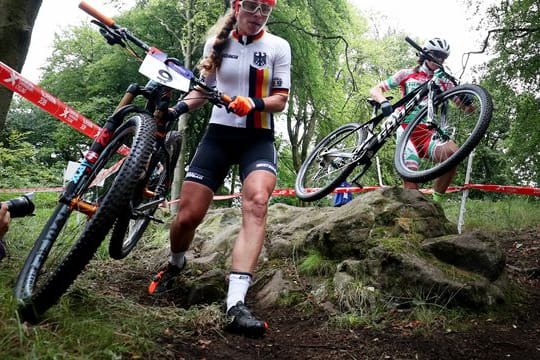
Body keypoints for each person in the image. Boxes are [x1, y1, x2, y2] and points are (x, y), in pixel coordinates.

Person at [147, 0, 290, 338]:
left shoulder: (278, 46)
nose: (258, 15)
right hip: (218, 136)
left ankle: (236, 303)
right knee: (187, 217)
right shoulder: (217, 43)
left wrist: (252, 103)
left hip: (258, 137)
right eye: (252, 7)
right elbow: (201, 91)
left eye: (265, 10)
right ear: (236, 7)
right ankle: (176, 264)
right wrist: (176, 110)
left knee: (256, 202)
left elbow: (281, 99)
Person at [369, 37, 460, 203]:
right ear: (425, 53)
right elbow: (375, 89)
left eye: (443, 57)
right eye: (436, 55)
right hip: (406, 129)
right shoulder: (406, 74)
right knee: (411, 182)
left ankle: (436, 202)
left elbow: (465, 106)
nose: (439, 60)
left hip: (427, 133)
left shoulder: (443, 80)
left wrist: (469, 99)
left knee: (454, 154)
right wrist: (383, 101)